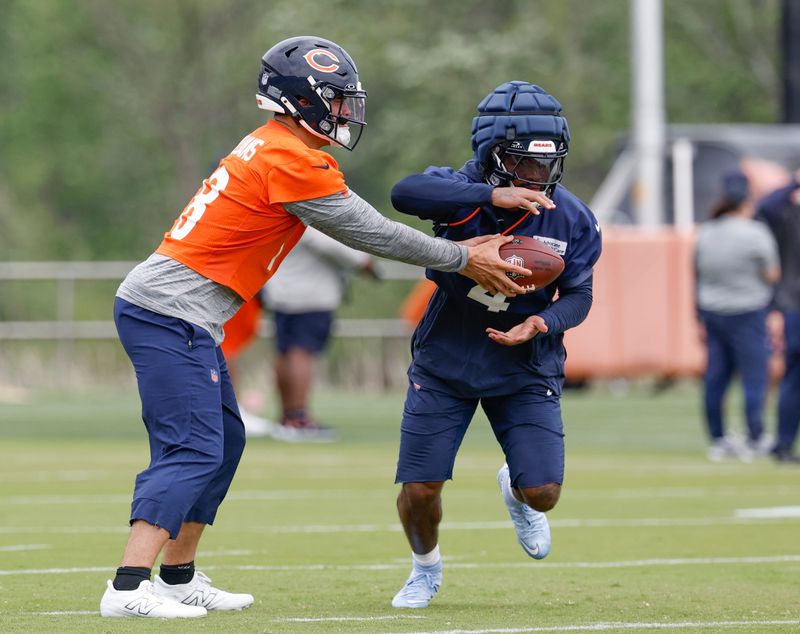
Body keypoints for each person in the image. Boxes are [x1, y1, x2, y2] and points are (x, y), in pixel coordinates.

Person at [101, 36, 546, 619]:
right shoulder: (289, 158)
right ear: (299, 101)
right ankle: (130, 587)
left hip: (178, 312)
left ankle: (179, 576)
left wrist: (461, 253)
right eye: (336, 101)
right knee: (192, 448)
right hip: (167, 312)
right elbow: (372, 232)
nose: (346, 113)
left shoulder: (276, 146)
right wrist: (465, 256)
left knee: (225, 442)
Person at [387, 81, 602, 608]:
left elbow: (580, 296)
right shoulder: (461, 188)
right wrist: (490, 195)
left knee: (543, 493)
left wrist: (543, 324)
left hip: (525, 361)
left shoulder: (571, 216)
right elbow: (404, 193)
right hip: (448, 357)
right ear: (493, 157)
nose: (538, 176)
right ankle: (425, 569)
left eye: (547, 165)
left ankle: (516, 490)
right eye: (525, 165)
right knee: (420, 488)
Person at [694, 170, 780, 462]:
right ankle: (755, 436)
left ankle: (718, 438)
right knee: (754, 378)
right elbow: (772, 274)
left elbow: (697, 274)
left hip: (713, 312)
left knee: (716, 378)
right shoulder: (755, 232)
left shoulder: (706, 232)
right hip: (748, 311)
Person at [261, 225, 378, 441]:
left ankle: (287, 417)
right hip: (309, 297)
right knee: (301, 353)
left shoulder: (282, 212)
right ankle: (298, 419)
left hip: (282, 292)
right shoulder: (306, 215)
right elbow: (330, 244)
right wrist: (364, 262)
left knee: (285, 353)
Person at [757, 169, 800, 463]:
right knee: (794, 376)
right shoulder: (786, 209)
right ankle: (783, 443)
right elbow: (767, 207)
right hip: (795, 304)